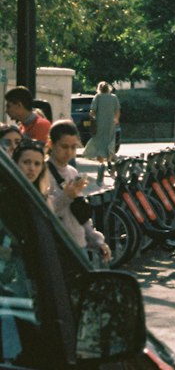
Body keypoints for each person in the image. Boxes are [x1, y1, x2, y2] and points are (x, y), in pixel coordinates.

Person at [45, 119, 110, 264]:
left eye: (73, 147)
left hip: (79, 245)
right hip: (57, 248)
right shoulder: (43, 172)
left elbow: (80, 214)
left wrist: (97, 241)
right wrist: (66, 196)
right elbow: (44, 211)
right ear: (51, 144)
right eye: (64, 146)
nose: (69, 152)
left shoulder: (72, 172)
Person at [83, 81, 121, 183]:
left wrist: (92, 119)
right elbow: (117, 111)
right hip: (110, 124)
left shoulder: (98, 97)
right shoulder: (114, 97)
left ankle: (102, 164)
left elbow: (92, 111)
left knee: (99, 143)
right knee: (110, 141)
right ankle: (109, 161)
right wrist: (116, 120)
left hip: (100, 124)